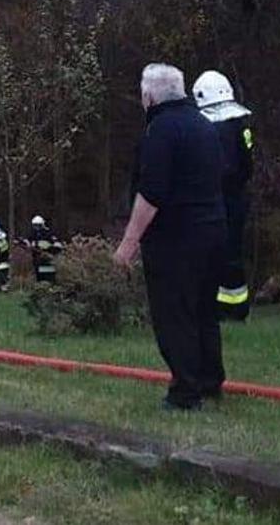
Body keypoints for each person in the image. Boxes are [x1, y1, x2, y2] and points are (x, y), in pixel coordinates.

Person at [112, 63, 226, 411]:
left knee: (173, 313)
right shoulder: (206, 127)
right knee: (204, 310)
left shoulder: (160, 130)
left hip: (175, 239)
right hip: (213, 230)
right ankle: (209, 379)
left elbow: (152, 193)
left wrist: (128, 245)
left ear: (148, 95)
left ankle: (185, 392)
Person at [193, 70, 255, 322]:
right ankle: (236, 309)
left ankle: (217, 309)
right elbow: (246, 166)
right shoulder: (241, 127)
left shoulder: (207, 130)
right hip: (237, 199)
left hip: (214, 201)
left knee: (212, 254)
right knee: (232, 253)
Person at [25, 215, 61, 284]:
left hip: (48, 258)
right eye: (35, 225)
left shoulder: (49, 233)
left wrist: (50, 250)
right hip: (37, 259)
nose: (37, 227)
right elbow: (28, 241)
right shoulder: (33, 233)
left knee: (49, 275)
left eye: (38, 225)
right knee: (39, 275)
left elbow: (58, 245)